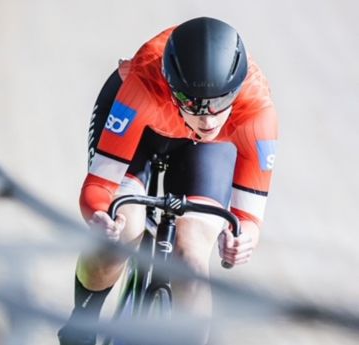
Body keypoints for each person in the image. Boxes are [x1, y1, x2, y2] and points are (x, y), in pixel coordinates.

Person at [58, 17, 278, 345]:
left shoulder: (256, 110)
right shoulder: (143, 83)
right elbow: (98, 187)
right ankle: (82, 323)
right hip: (143, 130)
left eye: (219, 103)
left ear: (236, 91)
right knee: (122, 231)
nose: (207, 118)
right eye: (194, 104)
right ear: (171, 85)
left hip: (206, 149)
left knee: (191, 258)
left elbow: (247, 219)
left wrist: (241, 241)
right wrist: (100, 217)